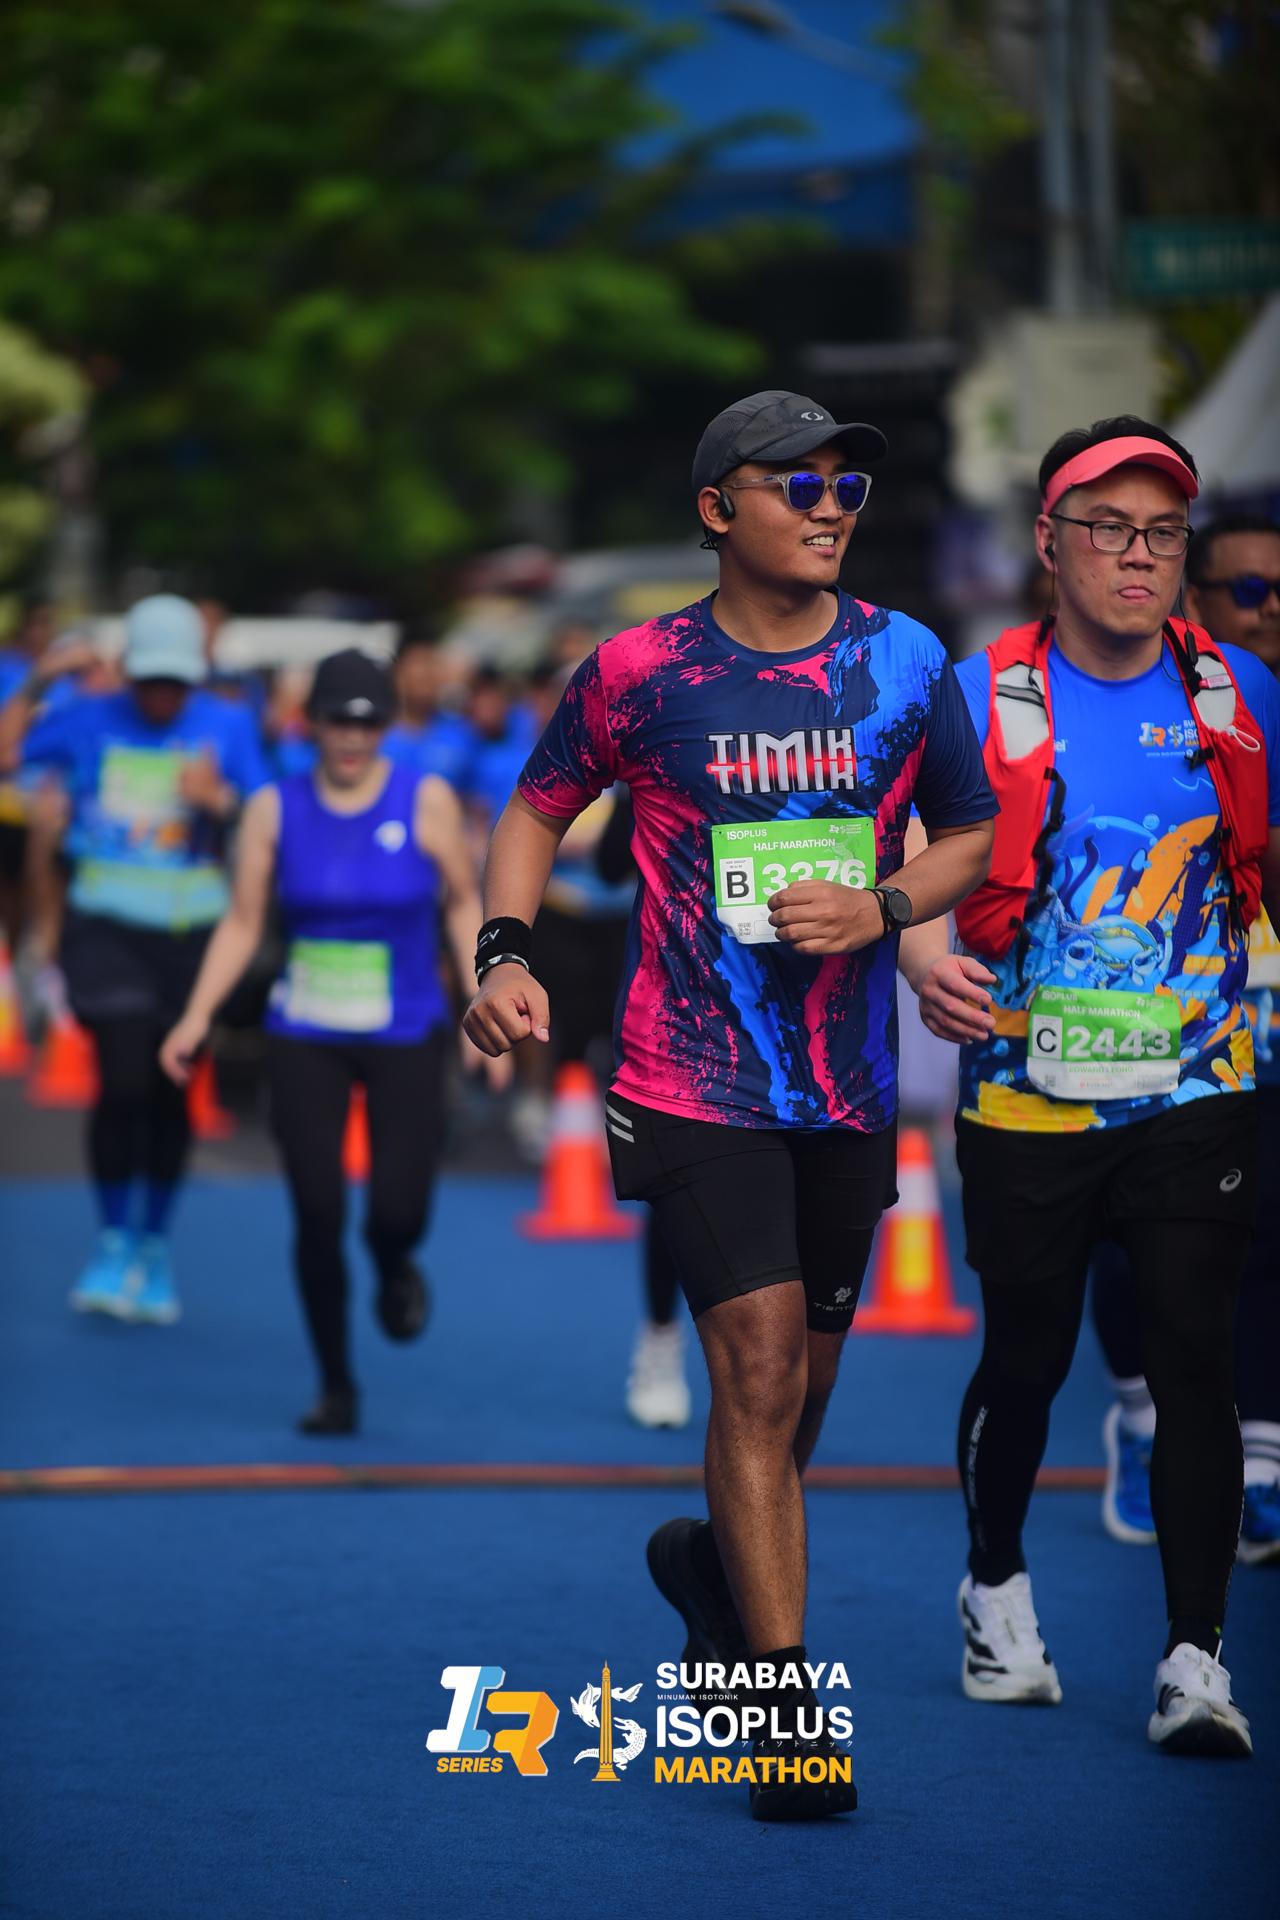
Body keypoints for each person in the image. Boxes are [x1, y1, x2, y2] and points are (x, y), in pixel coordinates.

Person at [464, 389, 995, 1821]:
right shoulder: (638, 671)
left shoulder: (903, 658)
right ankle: (779, 1713)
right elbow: (535, 809)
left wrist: (885, 909)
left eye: (846, 488)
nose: (829, 510)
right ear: (717, 509)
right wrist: (503, 954)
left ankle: (715, 1567)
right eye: (795, 485)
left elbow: (968, 832)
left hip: (845, 1085)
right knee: (755, 1372)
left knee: (802, 1390)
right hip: (686, 1074)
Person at [903, 418, 1280, 1758]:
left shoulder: (1240, 690)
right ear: (1049, 545)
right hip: (1027, 1091)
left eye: (1161, 533)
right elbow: (914, 864)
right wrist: (925, 962)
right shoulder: (971, 693)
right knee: (1027, 1357)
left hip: (1198, 1084)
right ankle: (993, 1584)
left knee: (1194, 1358)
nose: (1137, 555)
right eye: (1107, 529)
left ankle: (1195, 1658)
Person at [161, 649, 500, 1434]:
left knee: (394, 1213)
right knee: (316, 1212)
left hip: (404, 1027)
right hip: (305, 1030)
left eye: (368, 721)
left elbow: (461, 904)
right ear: (309, 723)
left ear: (388, 726)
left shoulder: (426, 799)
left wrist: (482, 999)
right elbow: (243, 922)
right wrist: (196, 1015)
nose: (352, 736)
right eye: (337, 720)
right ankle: (336, 1384)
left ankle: (392, 1262)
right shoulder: (273, 809)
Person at [1086, 511, 1280, 1564]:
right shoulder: (1131, 699)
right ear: (1194, 603)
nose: (1270, 609)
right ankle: (1136, 1410)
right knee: (1128, 1242)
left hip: (1260, 1023)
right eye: (1247, 591)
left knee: (1262, 1231)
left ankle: (1258, 1461)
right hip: (1140, 1017)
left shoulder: (1267, 711)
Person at [0, 594, 269, 1320]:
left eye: (175, 681)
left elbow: (273, 815)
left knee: (170, 1093)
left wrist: (222, 803)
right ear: (130, 672)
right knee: (122, 1085)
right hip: (107, 928)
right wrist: (40, 677)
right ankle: (113, 1238)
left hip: (195, 938)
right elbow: (6, 754)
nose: (161, 696)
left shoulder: (227, 723)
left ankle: (153, 1244)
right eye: (150, 679)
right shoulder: (89, 716)